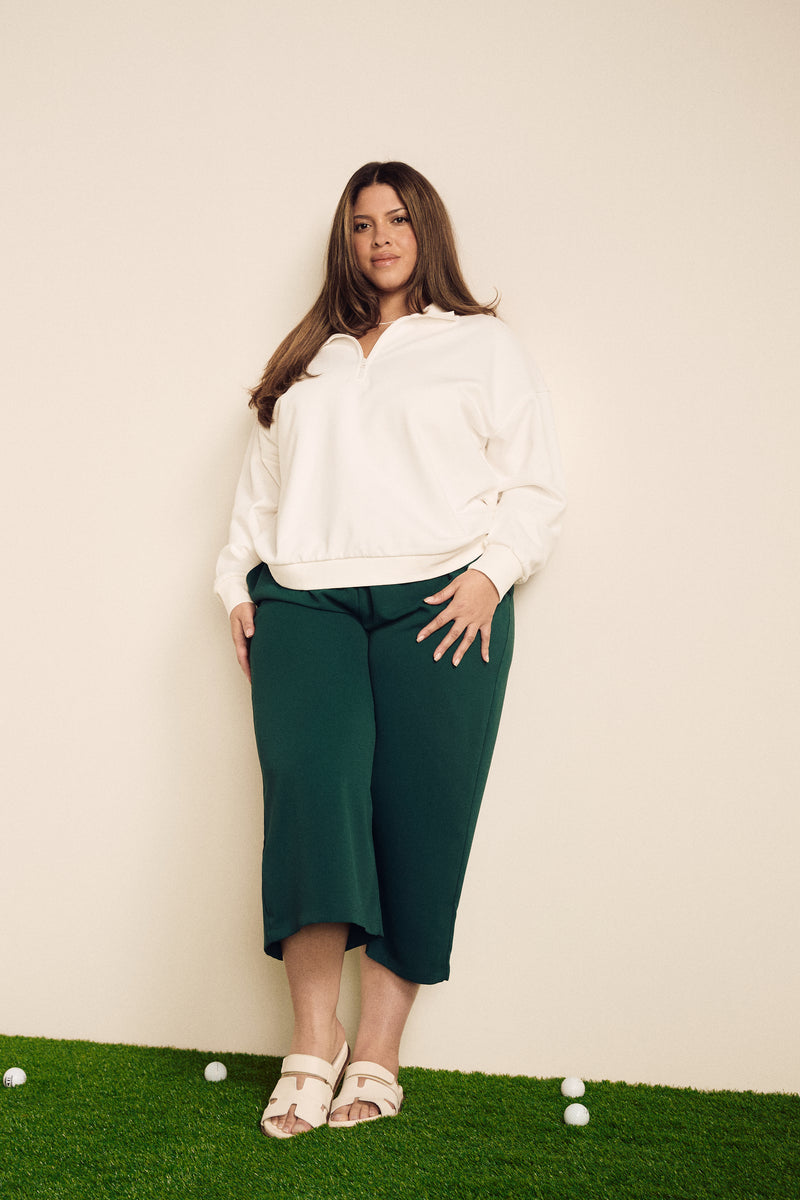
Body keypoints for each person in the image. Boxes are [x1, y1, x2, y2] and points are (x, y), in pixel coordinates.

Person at [214, 161, 565, 1139]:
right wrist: (235, 584)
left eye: (397, 220)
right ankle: (311, 1042)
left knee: (421, 811)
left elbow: (535, 482)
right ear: (346, 240)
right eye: (363, 223)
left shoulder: (482, 346)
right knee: (309, 795)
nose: (380, 238)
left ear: (426, 231)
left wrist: (494, 572)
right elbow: (260, 491)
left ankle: (377, 1050)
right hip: (305, 601)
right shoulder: (309, 358)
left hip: (445, 598)